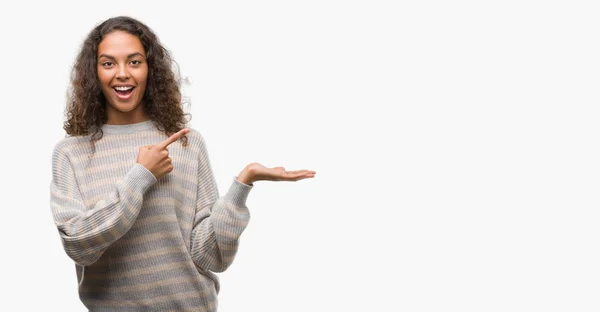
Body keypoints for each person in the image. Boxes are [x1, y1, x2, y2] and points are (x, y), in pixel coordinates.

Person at [49, 15, 315, 311]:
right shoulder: (71, 153)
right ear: (94, 72)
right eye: (108, 63)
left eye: (134, 61)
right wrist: (141, 176)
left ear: (150, 69)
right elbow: (78, 245)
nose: (122, 73)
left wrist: (243, 183)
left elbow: (211, 256)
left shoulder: (186, 144)